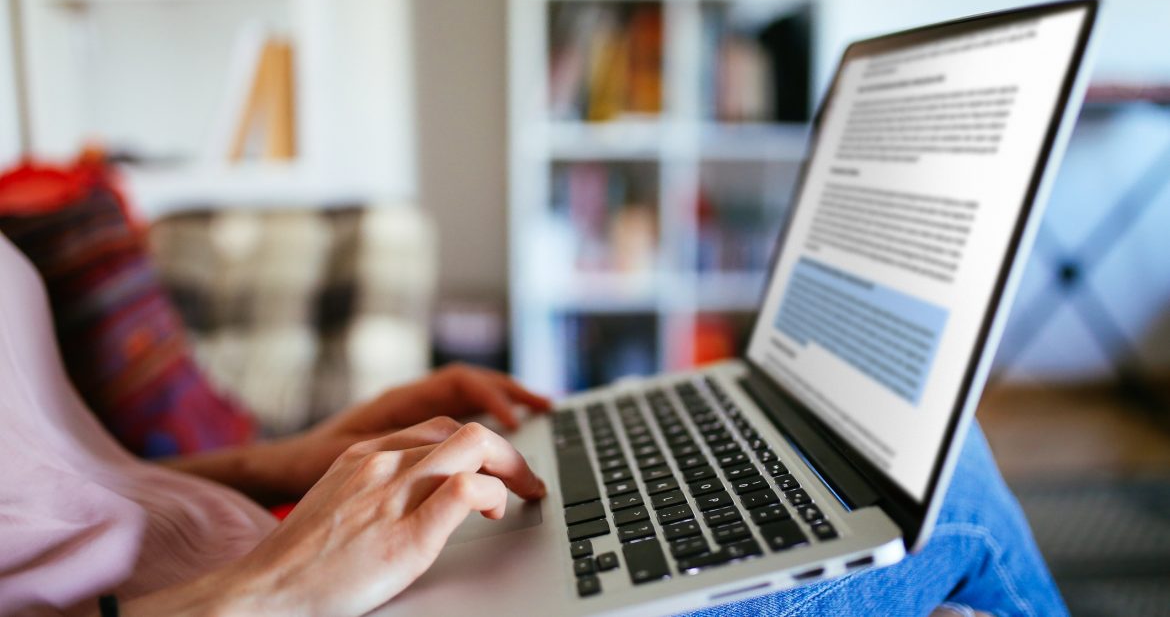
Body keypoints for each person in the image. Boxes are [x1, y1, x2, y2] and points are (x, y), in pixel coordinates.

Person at [0, 231, 1067, 616]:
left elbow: (56, 483)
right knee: (939, 484)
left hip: (289, 558)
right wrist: (260, 597)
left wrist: (270, 462)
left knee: (833, 464)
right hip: (273, 605)